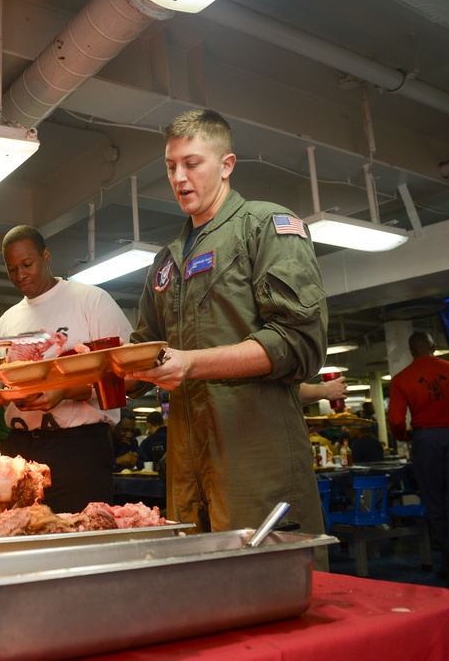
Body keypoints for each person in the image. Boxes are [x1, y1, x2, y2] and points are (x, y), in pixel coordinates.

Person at [125, 109, 328, 566]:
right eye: (170, 165)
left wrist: (191, 363)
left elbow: (299, 342)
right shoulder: (166, 260)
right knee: (198, 590)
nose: (178, 177)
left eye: (192, 163)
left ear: (227, 164)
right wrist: (66, 380)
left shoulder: (266, 226)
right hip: (185, 460)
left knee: (272, 585)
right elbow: (146, 352)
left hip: (255, 453)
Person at [0, 225, 133, 513]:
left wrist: (66, 391)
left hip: (78, 449)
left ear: (46, 255)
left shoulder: (90, 301)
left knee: (81, 537)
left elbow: (128, 376)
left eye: (27, 265)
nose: (20, 276)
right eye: (12, 269)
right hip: (19, 449)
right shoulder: (7, 321)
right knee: (21, 540)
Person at [388, 331, 449, 593]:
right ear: (435, 347)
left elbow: (397, 421)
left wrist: (405, 436)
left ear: (411, 351)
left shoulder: (400, 379)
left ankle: (447, 562)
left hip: (425, 441)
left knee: (434, 501)